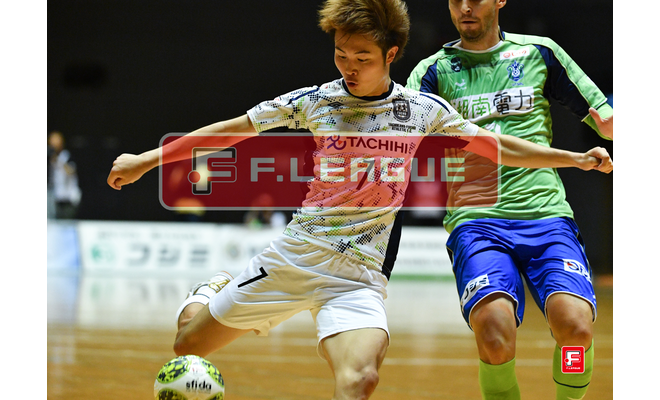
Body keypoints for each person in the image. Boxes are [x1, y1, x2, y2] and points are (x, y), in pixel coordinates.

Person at [107, 1, 612, 398]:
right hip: (295, 258)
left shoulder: (422, 110)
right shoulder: (314, 101)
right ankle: (211, 289)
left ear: (391, 55)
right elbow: (229, 131)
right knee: (187, 343)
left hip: (357, 278)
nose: (349, 67)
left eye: (362, 58)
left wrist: (573, 158)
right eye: (341, 55)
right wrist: (147, 160)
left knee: (361, 379)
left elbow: (496, 146)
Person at [406, 1, 613, 399]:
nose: (465, 8)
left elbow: (604, 118)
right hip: (476, 220)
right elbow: (403, 139)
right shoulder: (432, 72)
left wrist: (606, 126)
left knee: (576, 330)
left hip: (545, 215)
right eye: (455, 0)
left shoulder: (539, 53)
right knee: (494, 334)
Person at [47, 131, 82, 219]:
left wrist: (59, 161)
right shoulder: (50, 157)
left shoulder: (66, 155)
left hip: (69, 198)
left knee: (67, 222)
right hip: (56, 198)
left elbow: (71, 171)